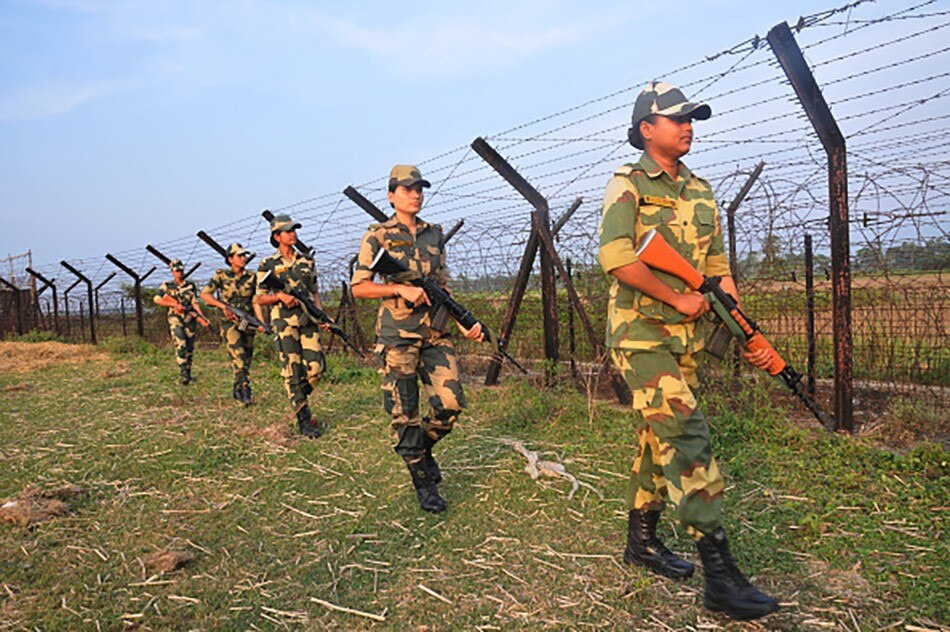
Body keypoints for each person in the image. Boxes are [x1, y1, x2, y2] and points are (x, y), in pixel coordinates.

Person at [597, 81, 779, 621]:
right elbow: (616, 257)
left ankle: (641, 542)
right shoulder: (626, 184)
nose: (688, 126)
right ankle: (720, 572)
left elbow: (718, 270)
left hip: (688, 340)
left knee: (659, 439)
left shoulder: (701, 190)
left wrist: (746, 329)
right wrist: (677, 295)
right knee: (687, 433)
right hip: (639, 333)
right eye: (677, 119)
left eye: (692, 118)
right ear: (646, 130)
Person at [350, 165, 483, 514]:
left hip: (436, 333)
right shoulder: (376, 235)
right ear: (392, 195)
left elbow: (442, 284)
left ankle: (420, 451)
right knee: (404, 413)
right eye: (407, 189)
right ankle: (422, 480)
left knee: (450, 404)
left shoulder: (434, 234)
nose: (416, 194)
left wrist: (462, 319)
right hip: (398, 338)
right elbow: (359, 287)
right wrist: (398, 288)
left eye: (420, 188)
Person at [253, 214, 327, 437]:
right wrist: (279, 297)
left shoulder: (306, 261)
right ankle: (303, 419)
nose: (293, 233)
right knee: (292, 370)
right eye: (288, 231)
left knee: (316, 368)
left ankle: (299, 395)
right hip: (284, 323)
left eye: (294, 230)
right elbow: (259, 298)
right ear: (276, 236)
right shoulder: (267, 265)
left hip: (307, 320)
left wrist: (321, 316)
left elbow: (314, 292)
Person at [200, 243, 259, 405]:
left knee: (246, 356)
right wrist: (223, 307)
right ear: (230, 259)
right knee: (237, 354)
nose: (243, 258)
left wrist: (261, 321)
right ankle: (245, 390)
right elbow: (205, 295)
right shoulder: (221, 276)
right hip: (230, 323)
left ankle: (238, 385)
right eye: (239, 256)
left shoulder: (252, 277)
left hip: (248, 321)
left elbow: (258, 299)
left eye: (244, 255)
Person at [153, 258, 211, 385]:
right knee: (181, 344)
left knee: (190, 347)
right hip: (176, 319)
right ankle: (183, 372)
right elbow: (157, 299)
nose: (179, 272)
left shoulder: (190, 285)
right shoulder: (167, 286)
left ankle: (188, 373)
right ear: (172, 272)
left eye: (180, 270)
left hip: (189, 320)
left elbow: (194, 303)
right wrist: (174, 305)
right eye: (176, 270)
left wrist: (201, 317)